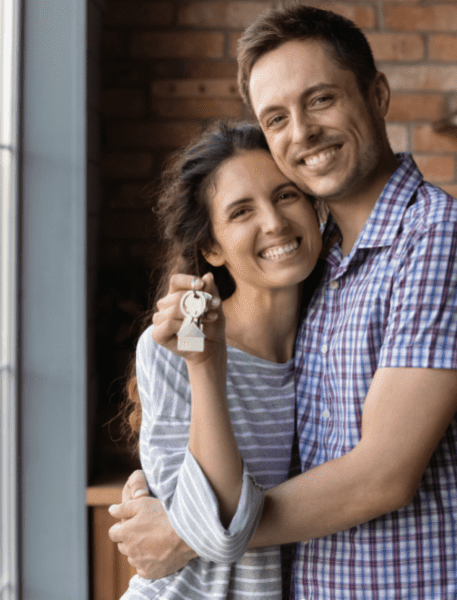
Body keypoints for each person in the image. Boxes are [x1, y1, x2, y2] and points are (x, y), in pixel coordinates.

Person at [109, 4, 457, 598]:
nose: (301, 132)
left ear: (377, 94)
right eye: (276, 117)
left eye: (321, 99)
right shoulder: (323, 267)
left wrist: (191, 529)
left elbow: (382, 475)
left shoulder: (437, 237)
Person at [116, 120, 323, 599]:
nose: (273, 222)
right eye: (241, 212)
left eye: (287, 195)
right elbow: (215, 530)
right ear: (211, 247)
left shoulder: (337, 342)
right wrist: (206, 365)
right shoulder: (171, 349)